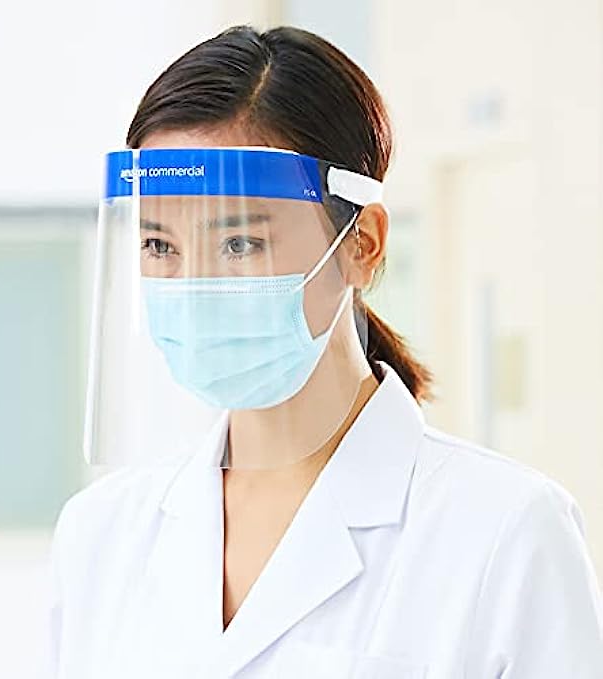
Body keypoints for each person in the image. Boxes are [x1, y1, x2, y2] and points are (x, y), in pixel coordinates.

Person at [48, 25, 603, 678]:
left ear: (361, 243)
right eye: (159, 245)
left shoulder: (505, 532)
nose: (193, 286)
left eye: (239, 243)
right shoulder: (101, 533)